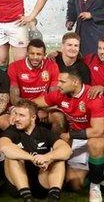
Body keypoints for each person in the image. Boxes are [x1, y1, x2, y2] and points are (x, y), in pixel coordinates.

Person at [31, 69, 104, 198]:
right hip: (78, 139)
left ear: (75, 82)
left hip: (96, 137)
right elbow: (34, 102)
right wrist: (38, 110)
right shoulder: (60, 94)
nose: (58, 84)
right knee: (74, 184)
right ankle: (98, 173)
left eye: (62, 81)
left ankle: (95, 186)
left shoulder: (93, 95)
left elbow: (97, 131)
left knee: (96, 143)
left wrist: (69, 135)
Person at [0, 99, 71, 202]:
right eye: (15, 114)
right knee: (12, 157)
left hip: (41, 180)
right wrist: (32, 158)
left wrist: (48, 157)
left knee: (59, 159)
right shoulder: (11, 131)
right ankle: (27, 198)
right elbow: (4, 147)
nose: (16, 119)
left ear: (33, 118)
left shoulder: (44, 132)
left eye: (22, 116)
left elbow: (67, 150)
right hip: (17, 184)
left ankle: (53, 197)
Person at [0, 39, 59, 126]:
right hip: (21, 107)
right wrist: (33, 110)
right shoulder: (14, 67)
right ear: (27, 53)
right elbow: (14, 99)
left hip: (44, 108)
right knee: (12, 121)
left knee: (58, 118)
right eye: (32, 53)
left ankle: (55, 139)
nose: (35, 57)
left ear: (44, 55)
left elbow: (53, 96)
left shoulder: (52, 66)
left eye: (39, 54)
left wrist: (46, 109)